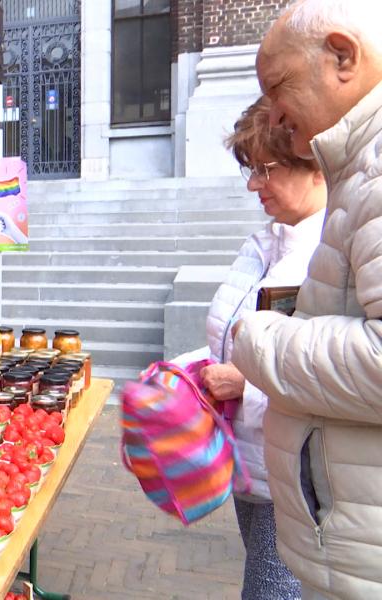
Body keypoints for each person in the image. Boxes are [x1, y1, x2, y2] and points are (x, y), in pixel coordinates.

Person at [229, 0, 382, 596]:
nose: (275, 112)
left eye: (278, 87)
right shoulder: (361, 173)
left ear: (342, 56)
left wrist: (260, 338)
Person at [200, 95, 325, 600]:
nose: (254, 185)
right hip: (251, 462)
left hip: (294, 479)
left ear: (314, 165)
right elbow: (230, 335)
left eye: (265, 169)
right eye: (251, 169)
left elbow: (341, 375)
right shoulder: (265, 244)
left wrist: (244, 387)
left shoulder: (333, 257)